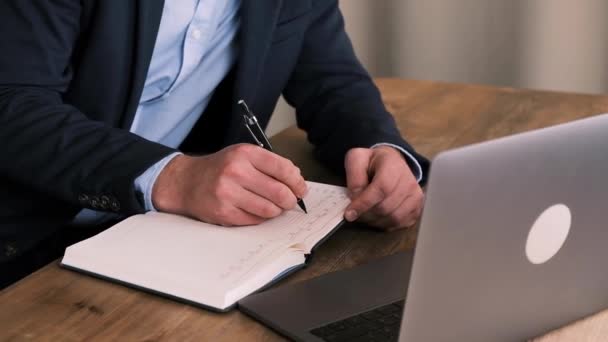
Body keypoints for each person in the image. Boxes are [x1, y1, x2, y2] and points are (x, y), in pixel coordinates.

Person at [0, 0, 429, 287]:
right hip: (25, 241)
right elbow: (12, 101)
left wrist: (382, 151)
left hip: (173, 243)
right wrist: (175, 177)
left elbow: (331, 80)